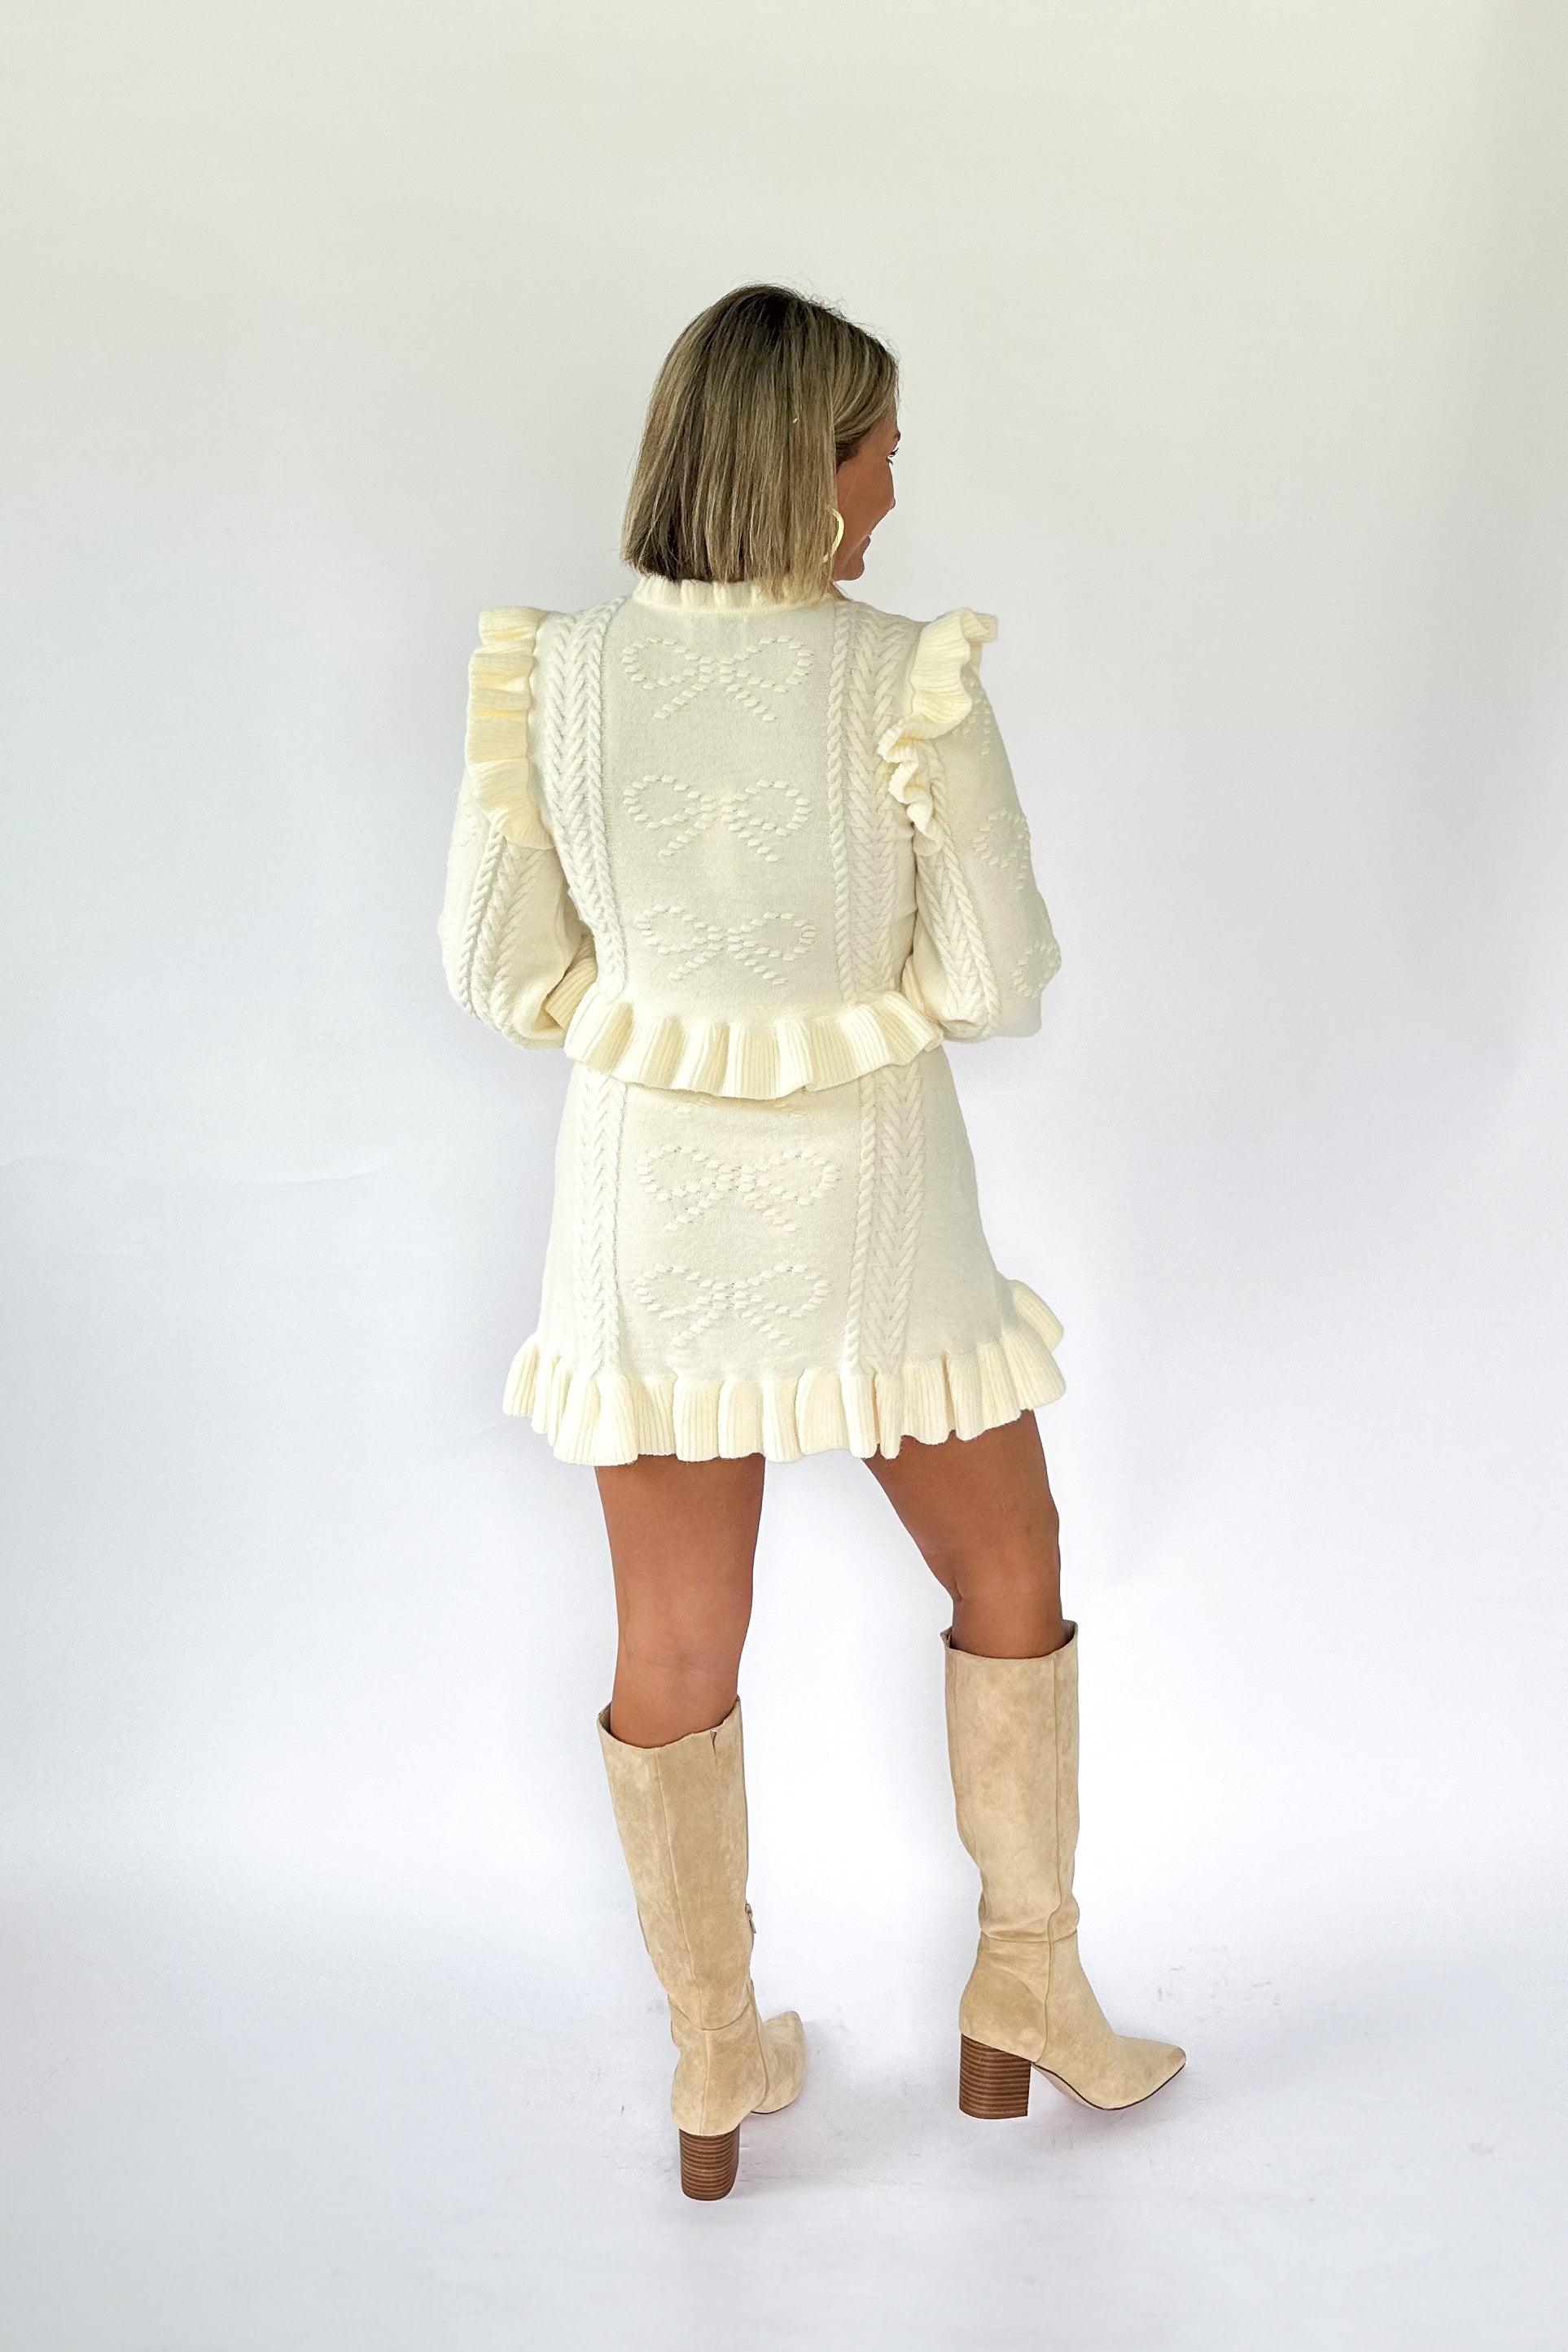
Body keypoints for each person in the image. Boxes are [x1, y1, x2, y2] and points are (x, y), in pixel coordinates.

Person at [438, 285, 1184, 2201]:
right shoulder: (908, 677)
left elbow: (498, 973)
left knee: (675, 1634)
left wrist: (669, 1005)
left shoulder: (549, 675)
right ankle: (1029, 1979)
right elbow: (994, 981)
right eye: (881, 455)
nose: (894, 495)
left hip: (647, 1207)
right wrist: (852, 992)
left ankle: (714, 2055)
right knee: (1009, 1561)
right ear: (807, 461)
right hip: (876, 1199)